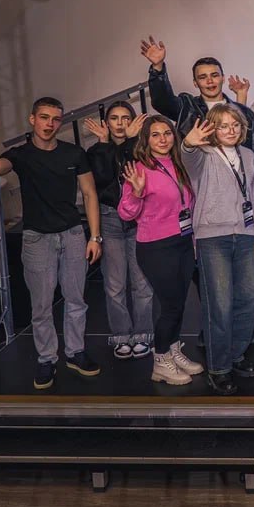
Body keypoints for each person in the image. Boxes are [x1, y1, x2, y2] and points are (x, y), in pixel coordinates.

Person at [0, 101, 103, 390]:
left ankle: (75, 352)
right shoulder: (21, 155)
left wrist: (95, 237)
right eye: (44, 117)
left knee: (76, 299)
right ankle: (47, 358)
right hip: (37, 239)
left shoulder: (74, 153)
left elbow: (90, 194)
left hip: (73, 235)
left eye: (55, 119)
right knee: (41, 305)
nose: (49, 124)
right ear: (33, 119)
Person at [180, 106, 254, 396]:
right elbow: (186, 156)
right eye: (222, 126)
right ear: (212, 129)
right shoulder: (202, 155)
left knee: (249, 299)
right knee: (219, 304)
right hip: (212, 237)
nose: (230, 130)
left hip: (245, 235)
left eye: (235, 125)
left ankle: (236, 354)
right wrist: (189, 142)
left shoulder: (248, 155)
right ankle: (219, 368)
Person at [118, 116, 204, 385]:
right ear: (146, 139)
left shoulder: (179, 163)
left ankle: (172, 350)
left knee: (179, 303)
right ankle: (160, 362)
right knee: (170, 305)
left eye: (167, 133)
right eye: (155, 135)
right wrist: (136, 192)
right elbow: (125, 213)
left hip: (183, 242)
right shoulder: (139, 169)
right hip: (156, 246)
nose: (163, 139)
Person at [84, 103, 153, 360]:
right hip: (110, 219)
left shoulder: (141, 147)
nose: (120, 123)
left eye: (126, 118)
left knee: (142, 282)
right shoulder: (96, 151)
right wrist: (104, 144)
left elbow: (137, 170)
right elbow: (102, 178)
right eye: (114, 118)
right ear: (107, 122)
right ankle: (122, 335)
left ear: (134, 122)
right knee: (114, 284)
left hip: (139, 218)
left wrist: (132, 141)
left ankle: (144, 334)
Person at [140, 35, 254, 153]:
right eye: (203, 77)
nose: (210, 81)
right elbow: (161, 101)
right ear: (195, 83)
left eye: (214, 75)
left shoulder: (244, 112)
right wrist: (157, 68)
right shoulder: (187, 107)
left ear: (223, 78)